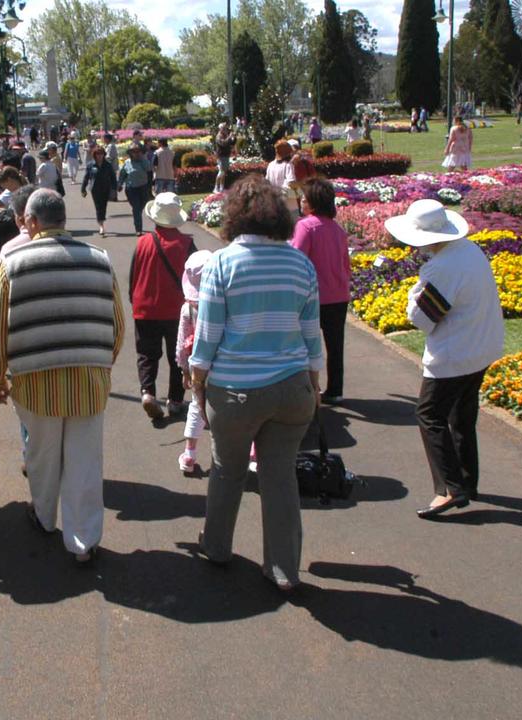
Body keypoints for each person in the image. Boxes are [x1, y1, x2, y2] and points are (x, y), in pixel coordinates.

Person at [189, 176, 324, 591]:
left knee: (227, 471)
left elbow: (207, 335)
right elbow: (311, 334)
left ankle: (216, 546)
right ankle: (283, 569)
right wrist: (313, 383)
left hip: (235, 390)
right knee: (280, 478)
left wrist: (197, 382)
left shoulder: (223, 263)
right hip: (292, 388)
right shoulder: (301, 264)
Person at [0, 189, 125, 564]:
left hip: (34, 383)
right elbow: (118, 326)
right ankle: (83, 543)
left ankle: (45, 519)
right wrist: (100, 364)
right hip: (88, 382)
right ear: (63, 220)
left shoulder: (13, 262)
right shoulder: (99, 259)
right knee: (85, 462)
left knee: (43, 456)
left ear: (31, 222)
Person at [383, 199, 504, 519]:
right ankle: (466, 479)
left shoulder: (441, 268)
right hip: (482, 347)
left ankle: (450, 488)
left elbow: (422, 317)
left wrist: (413, 293)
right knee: (462, 415)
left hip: (454, 354)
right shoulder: (469, 250)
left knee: (430, 414)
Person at [129, 192, 196, 420]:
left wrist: (134, 300)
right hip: (177, 308)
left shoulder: (142, 243)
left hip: (145, 307)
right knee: (177, 355)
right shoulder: (186, 244)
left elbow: (133, 276)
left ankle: (148, 392)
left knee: (147, 354)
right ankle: (175, 400)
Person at [290, 177, 352, 402]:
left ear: (314, 202)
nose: (301, 201)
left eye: (304, 198)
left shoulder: (305, 226)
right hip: (338, 293)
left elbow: (296, 259)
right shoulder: (337, 229)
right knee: (335, 346)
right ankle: (335, 390)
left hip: (313, 296)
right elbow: (346, 264)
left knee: (305, 343)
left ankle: (308, 389)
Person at [175, 249, 213, 473]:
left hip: (196, 363)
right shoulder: (222, 302)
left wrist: (184, 371)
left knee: (197, 408)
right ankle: (252, 451)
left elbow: (181, 342)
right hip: (221, 363)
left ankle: (189, 454)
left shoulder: (188, 307)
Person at [0, 168, 24, 279]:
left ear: (9, 180)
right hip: (16, 230)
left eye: (3, 185)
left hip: (14, 231)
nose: (4, 188)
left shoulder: (19, 193)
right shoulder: (20, 189)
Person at [82, 146, 116, 237]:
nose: (99, 156)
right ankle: (101, 225)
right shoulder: (91, 165)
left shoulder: (108, 165)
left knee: (103, 206)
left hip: (106, 188)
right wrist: (83, 189)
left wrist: (114, 188)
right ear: (94, 155)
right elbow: (86, 177)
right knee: (98, 207)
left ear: (104, 154)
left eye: (101, 154)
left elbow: (113, 177)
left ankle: (101, 221)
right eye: (97, 154)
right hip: (95, 189)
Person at [118, 145, 152, 234]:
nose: (137, 153)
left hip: (143, 187)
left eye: (138, 151)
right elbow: (123, 174)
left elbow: (149, 173)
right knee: (136, 208)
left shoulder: (144, 162)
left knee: (141, 206)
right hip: (131, 189)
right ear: (131, 153)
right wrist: (120, 184)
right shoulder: (127, 162)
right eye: (134, 152)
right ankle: (138, 229)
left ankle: (137, 216)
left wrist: (150, 186)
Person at [265, 141, 296, 206]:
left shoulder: (270, 165)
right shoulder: (288, 165)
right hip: (289, 205)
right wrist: (299, 193)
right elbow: (291, 183)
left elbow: (267, 182)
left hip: (274, 202)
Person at [213, 123, 235, 193]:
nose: (226, 129)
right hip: (221, 156)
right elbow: (223, 143)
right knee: (221, 171)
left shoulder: (225, 135)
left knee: (224, 172)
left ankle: (221, 187)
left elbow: (231, 143)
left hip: (226, 156)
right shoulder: (219, 136)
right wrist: (229, 137)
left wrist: (233, 138)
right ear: (220, 129)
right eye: (224, 128)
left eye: (225, 128)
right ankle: (216, 187)